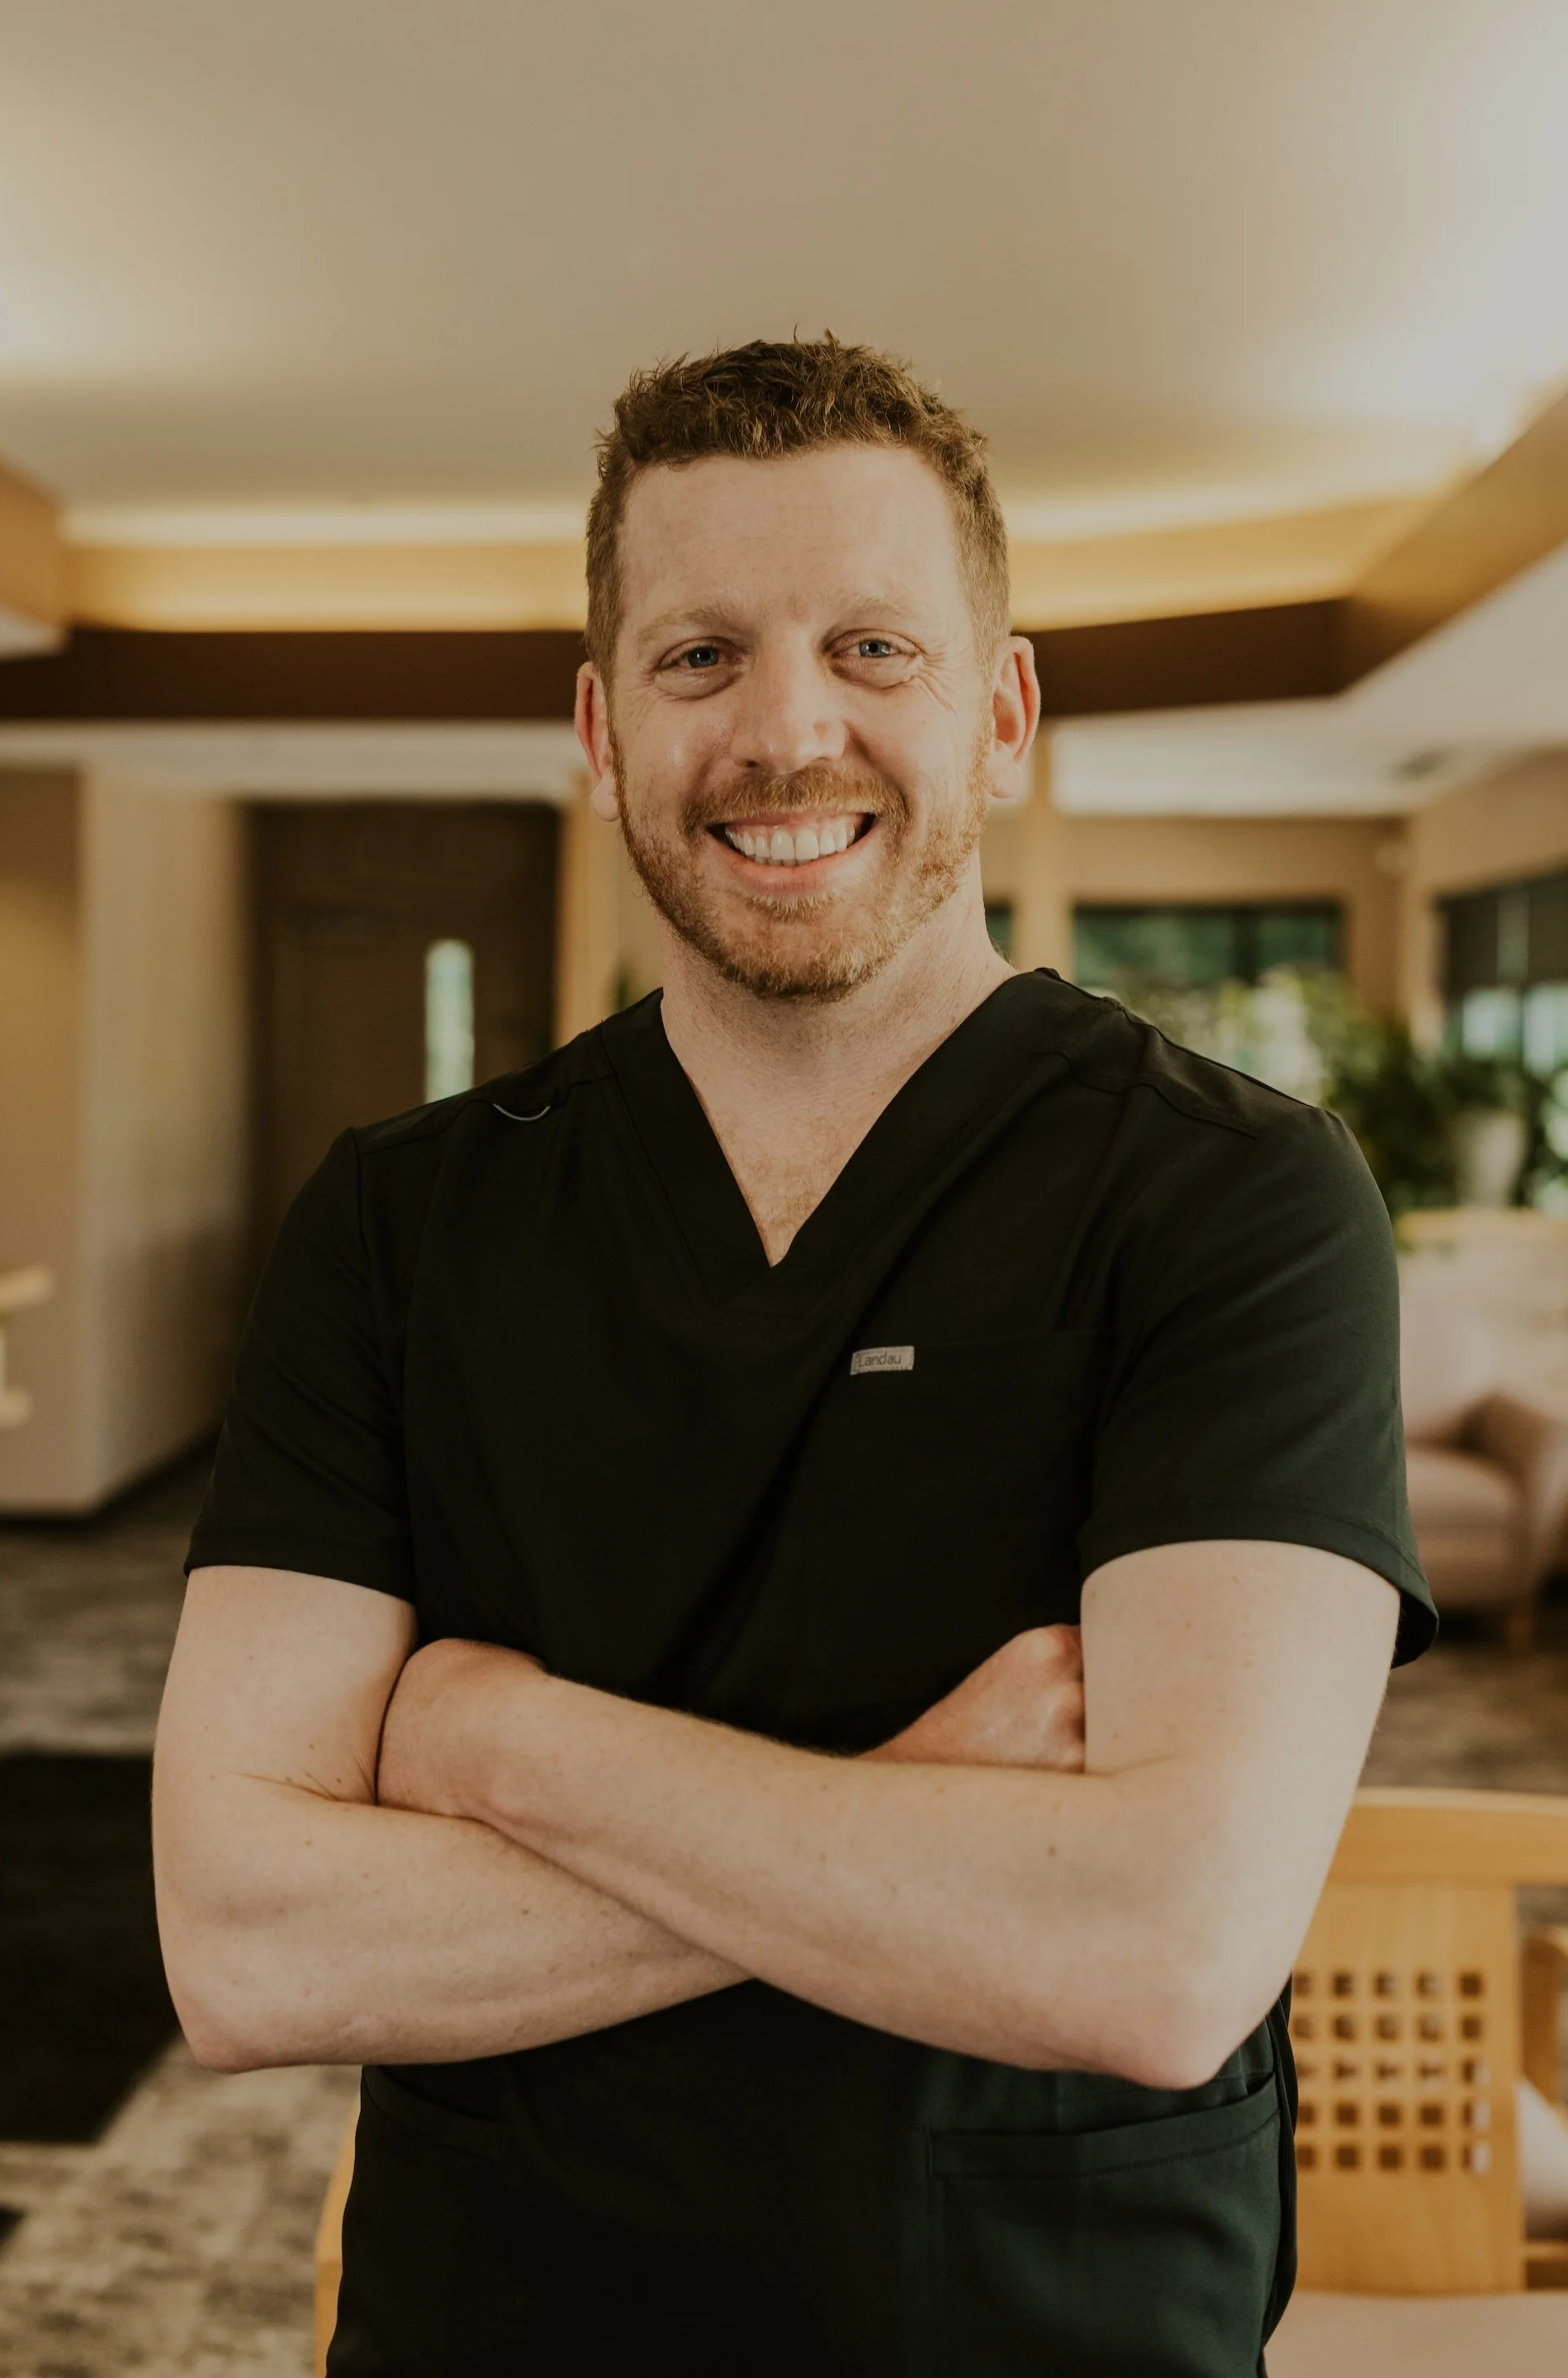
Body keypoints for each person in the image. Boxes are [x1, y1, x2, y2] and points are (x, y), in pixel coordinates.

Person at [153, 336, 1434, 2377]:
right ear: (599, 727)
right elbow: (241, 1943)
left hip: (1046, 2329)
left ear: (1000, 713)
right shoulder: (399, 1225)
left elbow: (1161, 1948)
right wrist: (918, 1807)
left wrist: (498, 1746)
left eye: (870, 647)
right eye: (698, 660)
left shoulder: (1236, 1198)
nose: (786, 728)